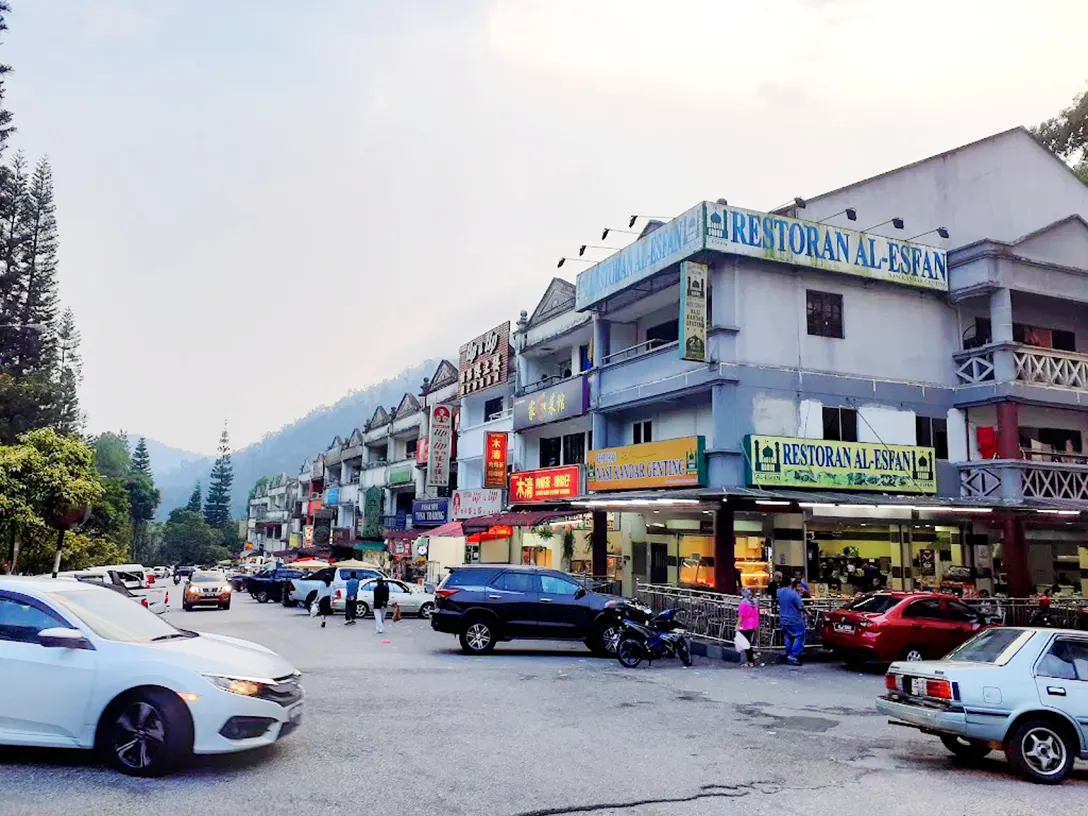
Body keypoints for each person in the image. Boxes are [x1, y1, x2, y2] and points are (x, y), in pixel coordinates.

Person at [778, 578, 808, 666]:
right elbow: (801, 607)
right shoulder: (793, 594)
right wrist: (808, 613)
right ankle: (793, 656)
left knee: (787, 636)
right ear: (790, 584)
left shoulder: (779, 592)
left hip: (783, 618)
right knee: (799, 636)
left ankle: (789, 654)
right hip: (794, 619)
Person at [737, 588, 760, 667]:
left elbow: (741, 616)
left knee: (746, 644)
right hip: (753, 624)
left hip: (745, 625)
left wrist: (737, 625)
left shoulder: (743, 603)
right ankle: (752, 657)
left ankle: (750, 660)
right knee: (748, 642)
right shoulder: (754, 602)